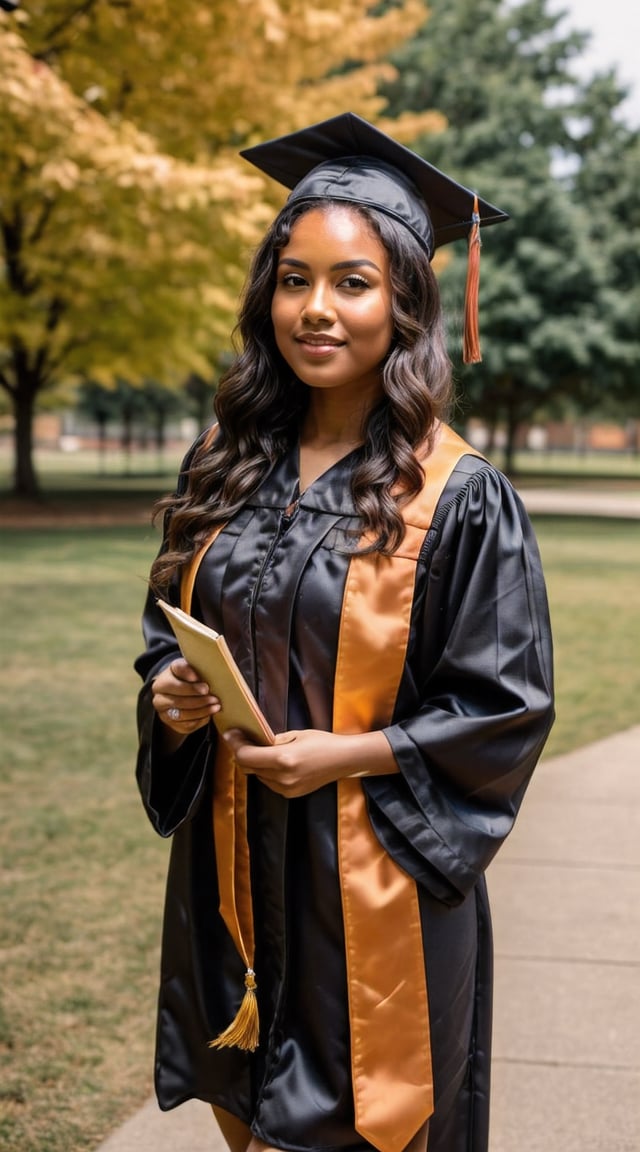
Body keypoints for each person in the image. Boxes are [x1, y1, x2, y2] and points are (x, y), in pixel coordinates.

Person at [134, 112, 554, 1152]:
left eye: (352, 282)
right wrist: (167, 692)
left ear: (405, 302)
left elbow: (503, 707)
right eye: (292, 278)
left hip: (370, 895)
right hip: (228, 879)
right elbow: (164, 627)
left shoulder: (458, 496)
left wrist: (348, 756)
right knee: (241, 1117)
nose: (314, 309)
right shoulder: (221, 467)